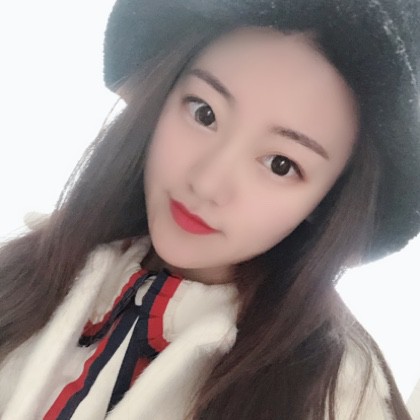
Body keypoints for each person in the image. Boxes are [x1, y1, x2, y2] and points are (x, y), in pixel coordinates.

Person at [0, 0, 419, 418]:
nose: (206, 183)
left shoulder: (334, 399)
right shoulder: (34, 270)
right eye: (204, 113)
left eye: (280, 164)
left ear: (329, 200)